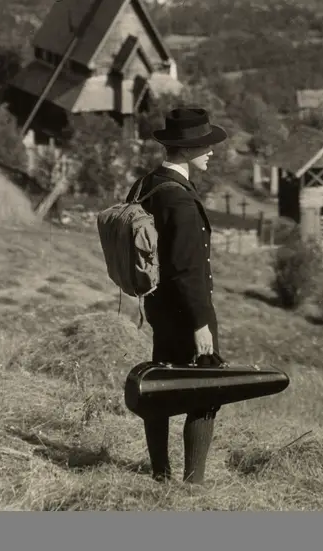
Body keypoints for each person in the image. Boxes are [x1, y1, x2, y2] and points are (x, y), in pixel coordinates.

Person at [126, 107, 227, 485]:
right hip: (188, 311)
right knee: (206, 391)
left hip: (158, 306)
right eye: (204, 146)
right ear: (185, 150)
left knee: (161, 386)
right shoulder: (181, 202)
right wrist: (201, 324)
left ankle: (160, 474)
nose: (211, 152)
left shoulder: (147, 184)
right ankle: (194, 483)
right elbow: (187, 269)